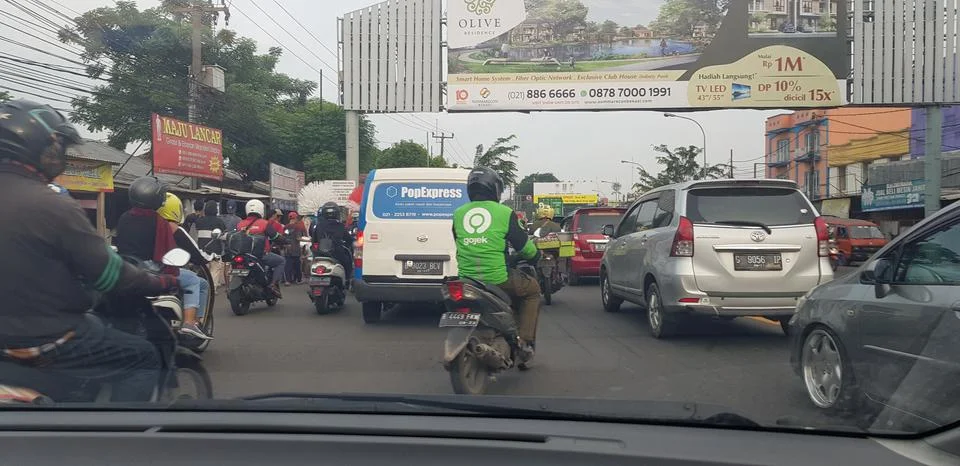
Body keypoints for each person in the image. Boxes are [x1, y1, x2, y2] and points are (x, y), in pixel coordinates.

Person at [0, 100, 179, 402]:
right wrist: (160, 282)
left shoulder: (120, 217)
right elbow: (109, 275)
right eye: (60, 148)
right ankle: (118, 438)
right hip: (46, 338)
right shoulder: (52, 204)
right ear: (46, 146)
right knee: (143, 358)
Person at [452, 167, 541, 365]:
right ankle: (524, 342)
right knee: (533, 290)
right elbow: (525, 248)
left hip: (466, 280)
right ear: (495, 189)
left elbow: (458, 243)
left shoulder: (458, 214)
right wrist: (536, 255)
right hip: (497, 278)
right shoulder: (505, 213)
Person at [116, 179, 212, 341]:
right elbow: (170, 252)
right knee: (196, 281)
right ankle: (189, 323)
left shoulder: (124, 218)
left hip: (127, 269)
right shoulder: (161, 222)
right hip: (153, 271)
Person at [155, 193, 214, 340]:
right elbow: (196, 253)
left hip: (144, 270)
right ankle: (190, 322)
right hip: (166, 271)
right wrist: (210, 256)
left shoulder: (149, 225)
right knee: (198, 282)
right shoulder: (175, 229)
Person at [237, 199, 286, 297]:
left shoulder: (240, 224)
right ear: (260, 210)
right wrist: (285, 241)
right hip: (261, 255)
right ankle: (273, 285)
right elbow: (275, 237)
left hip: (244, 255)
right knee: (281, 261)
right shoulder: (264, 223)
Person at [312, 201, 354, 285]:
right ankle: (346, 280)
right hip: (337, 253)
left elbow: (314, 239)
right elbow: (349, 239)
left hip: (320, 253)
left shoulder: (318, 225)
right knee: (348, 262)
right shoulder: (340, 226)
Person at [283, 212, 307, 285]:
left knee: (288, 265)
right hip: (296, 249)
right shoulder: (297, 227)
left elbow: (284, 237)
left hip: (287, 249)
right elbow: (298, 238)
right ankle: (298, 280)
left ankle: (288, 281)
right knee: (297, 265)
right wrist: (308, 240)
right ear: (296, 218)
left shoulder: (286, 227)